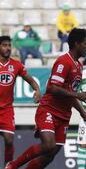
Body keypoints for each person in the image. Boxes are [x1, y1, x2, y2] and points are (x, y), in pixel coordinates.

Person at [6, 28, 86, 169]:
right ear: (76, 44)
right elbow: (53, 88)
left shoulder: (79, 66)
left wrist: (82, 111)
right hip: (49, 110)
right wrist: (77, 95)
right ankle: (13, 165)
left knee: (49, 156)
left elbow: (69, 92)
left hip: (64, 115)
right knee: (48, 145)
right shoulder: (64, 62)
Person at [0, 36, 40, 166]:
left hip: (6, 109)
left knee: (9, 140)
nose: (8, 48)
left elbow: (30, 79)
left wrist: (37, 89)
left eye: (9, 45)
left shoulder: (16, 65)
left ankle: (8, 165)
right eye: (4, 45)